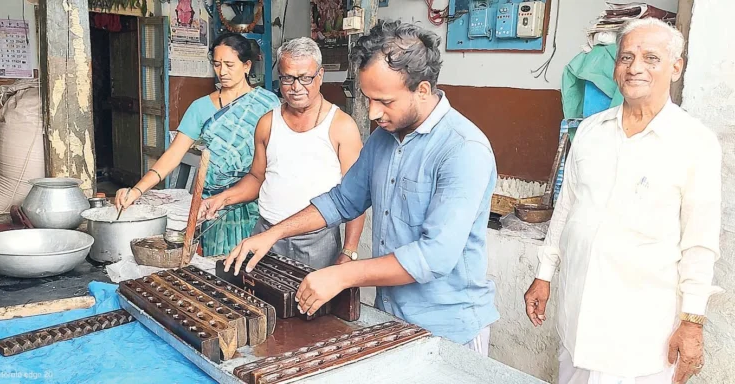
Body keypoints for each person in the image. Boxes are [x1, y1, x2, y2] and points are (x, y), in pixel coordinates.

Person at [220, 21, 500, 355]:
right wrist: (273, 234)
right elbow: (340, 201)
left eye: (384, 101)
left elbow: (434, 257)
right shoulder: (383, 139)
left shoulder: (463, 149)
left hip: (448, 328)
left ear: (422, 90)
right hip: (391, 317)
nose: (373, 113)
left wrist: (343, 274)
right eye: (368, 99)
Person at [523, 18, 722, 384]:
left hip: (641, 341)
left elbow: (700, 242)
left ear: (676, 67)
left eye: (651, 58)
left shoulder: (695, 142)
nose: (635, 68)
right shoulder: (589, 131)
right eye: (626, 57)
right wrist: (543, 275)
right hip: (577, 326)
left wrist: (692, 323)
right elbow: (567, 210)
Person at [197, 37, 365, 269]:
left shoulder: (341, 127)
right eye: (287, 78)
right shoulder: (267, 123)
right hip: (265, 233)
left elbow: (355, 196)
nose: (296, 87)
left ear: (320, 75)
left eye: (305, 78)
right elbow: (257, 178)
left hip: (316, 240)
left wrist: (349, 251)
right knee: (261, 300)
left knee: (312, 304)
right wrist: (221, 199)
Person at [115, 32, 281, 257]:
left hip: (258, 200)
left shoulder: (267, 103)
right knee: (220, 271)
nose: (222, 71)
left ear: (247, 66)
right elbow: (174, 154)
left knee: (259, 271)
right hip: (214, 206)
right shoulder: (200, 107)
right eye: (217, 64)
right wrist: (137, 190)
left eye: (230, 64)